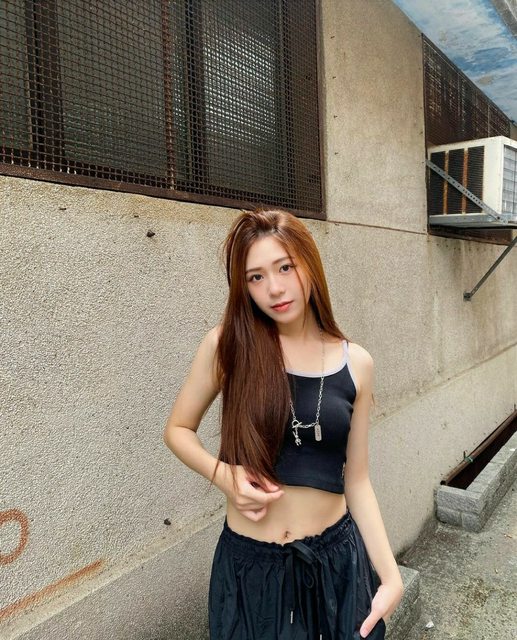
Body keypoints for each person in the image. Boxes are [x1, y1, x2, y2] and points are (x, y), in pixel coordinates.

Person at [163, 208, 404, 639]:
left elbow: (357, 480)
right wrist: (225, 477)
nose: (273, 288)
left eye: (285, 267)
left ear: (309, 264)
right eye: (255, 277)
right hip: (250, 570)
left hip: (335, 565)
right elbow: (178, 430)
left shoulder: (356, 363)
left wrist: (390, 577)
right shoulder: (228, 346)